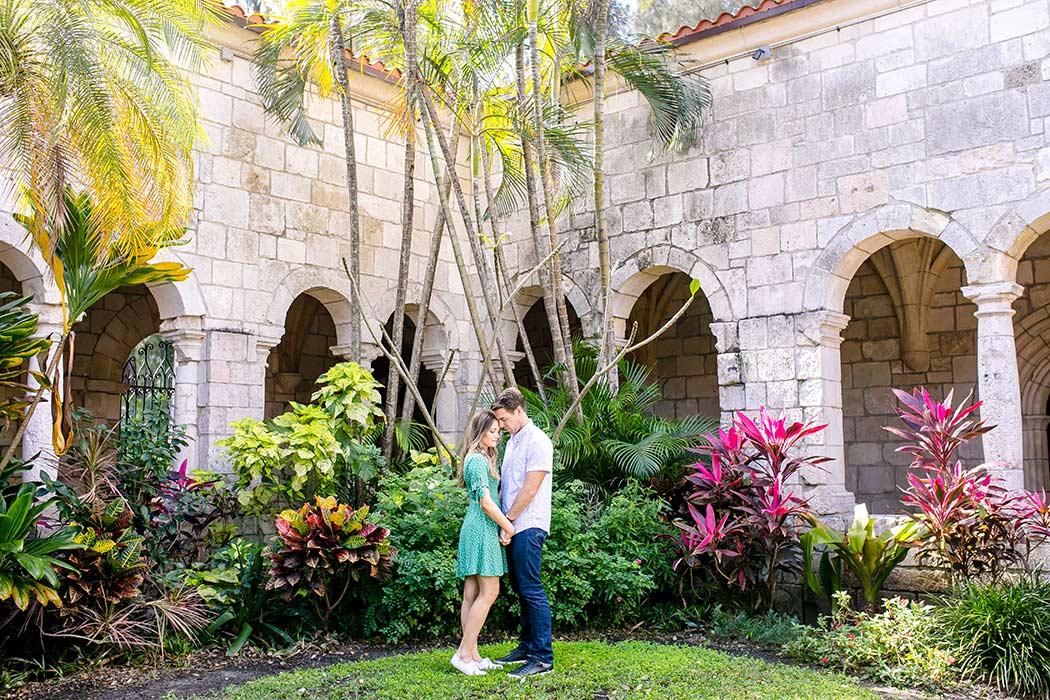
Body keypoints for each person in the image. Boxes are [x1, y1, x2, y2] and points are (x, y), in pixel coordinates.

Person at [491, 387, 554, 679]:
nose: (501, 425)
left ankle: (542, 658)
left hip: (528, 525)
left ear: (518, 411)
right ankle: (527, 647)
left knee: (531, 589)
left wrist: (509, 521)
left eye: (503, 419)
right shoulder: (514, 441)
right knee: (521, 589)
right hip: (513, 525)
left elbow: (530, 488)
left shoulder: (538, 441)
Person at [452, 409, 516, 676]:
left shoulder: (481, 458)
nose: (497, 436)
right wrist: (508, 525)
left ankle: (473, 654)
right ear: (479, 432)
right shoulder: (477, 461)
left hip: (478, 527)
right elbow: (485, 502)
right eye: (492, 431)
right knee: (489, 592)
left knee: (472, 594)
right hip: (481, 528)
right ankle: (463, 654)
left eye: (498, 432)